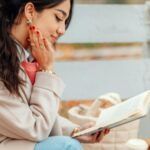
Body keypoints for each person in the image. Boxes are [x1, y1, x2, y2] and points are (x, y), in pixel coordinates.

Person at [0, 0, 109, 150]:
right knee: (67, 146)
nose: (62, 30)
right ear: (30, 11)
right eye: (58, 18)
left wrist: (75, 131)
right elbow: (35, 128)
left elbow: (25, 116)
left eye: (65, 22)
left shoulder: (24, 58)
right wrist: (46, 70)